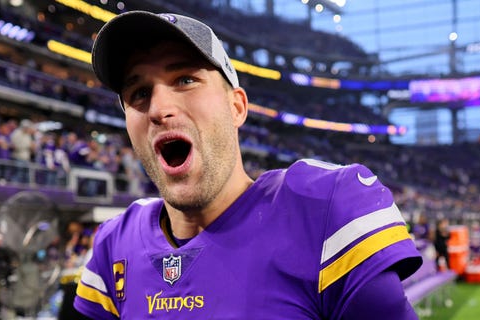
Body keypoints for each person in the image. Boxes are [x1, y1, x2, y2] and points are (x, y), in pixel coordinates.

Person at [74, 11, 422, 319]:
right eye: (139, 94)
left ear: (237, 107)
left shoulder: (322, 211)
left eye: (185, 80)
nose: (158, 109)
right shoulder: (114, 246)